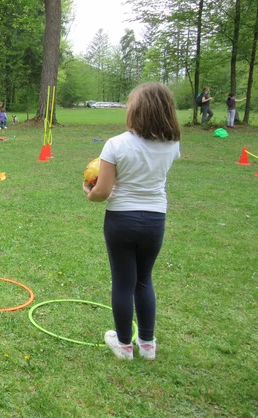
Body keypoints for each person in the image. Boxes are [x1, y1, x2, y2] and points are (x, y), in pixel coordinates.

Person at [83, 82, 181, 360]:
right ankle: (147, 344)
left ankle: (125, 345)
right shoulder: (173, 145)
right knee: (144, 279)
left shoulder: (116, 144)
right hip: (154, 220)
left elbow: (102, 192)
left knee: (124, 282)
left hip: (121, 221)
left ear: (137, 110)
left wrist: (89, 193)